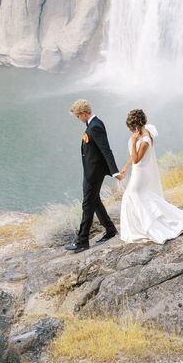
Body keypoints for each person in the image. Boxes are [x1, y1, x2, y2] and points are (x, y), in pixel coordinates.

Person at [114, 108, 183, 244]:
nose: (130, 131)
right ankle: (141, 226)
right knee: (138, 197)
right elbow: (133, 157)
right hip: (138, 173)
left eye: (131, 128)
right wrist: (125, 168)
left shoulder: (145, 140)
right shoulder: (146, 130)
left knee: (133, 196)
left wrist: (132, 141)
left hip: (141, 174)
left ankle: (148, 228)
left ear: (136, 126)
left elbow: (136, 159)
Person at [65, 99, 119, 253]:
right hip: (91, 170)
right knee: (94, 201)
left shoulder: (95, 126)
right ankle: (110, 229)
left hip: (94, 172)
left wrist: (114, 171)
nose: (78, 119)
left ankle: (82, 241)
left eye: (77, 116)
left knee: (87, 204)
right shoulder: (93, 124)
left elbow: (105, 149)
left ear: (84, 113)